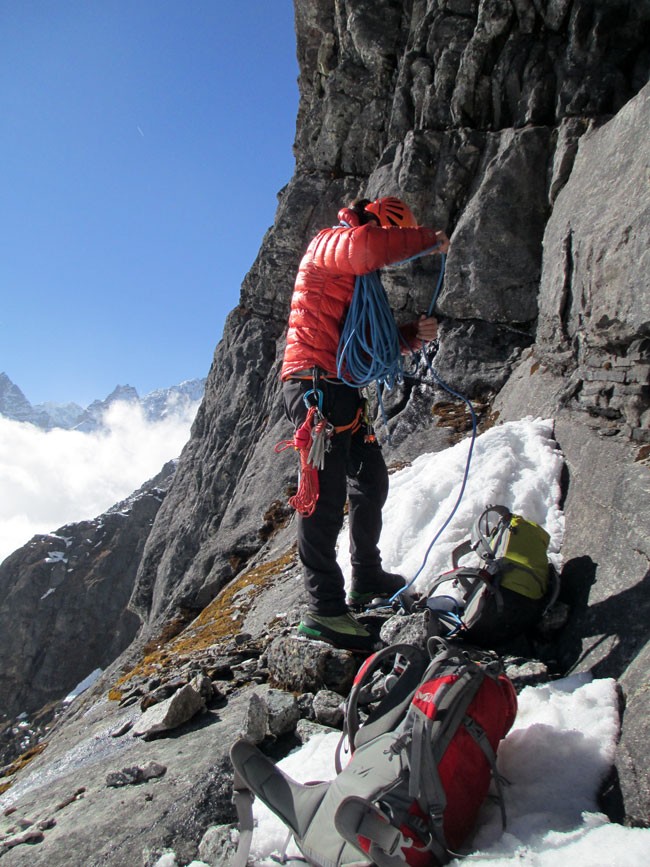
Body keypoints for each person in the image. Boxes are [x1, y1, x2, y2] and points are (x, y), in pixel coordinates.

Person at [281, 196, 449, 652]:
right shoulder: (329, 244)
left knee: (370, 478)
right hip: (314, 382)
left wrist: (410, 336)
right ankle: (325, 610)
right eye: (391, 233)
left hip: (339, 386)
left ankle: (367, 577)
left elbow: (365, 338)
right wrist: (427, 239)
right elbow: (365, 248)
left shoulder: (355, 275)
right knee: (322, 495)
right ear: (381, 222)